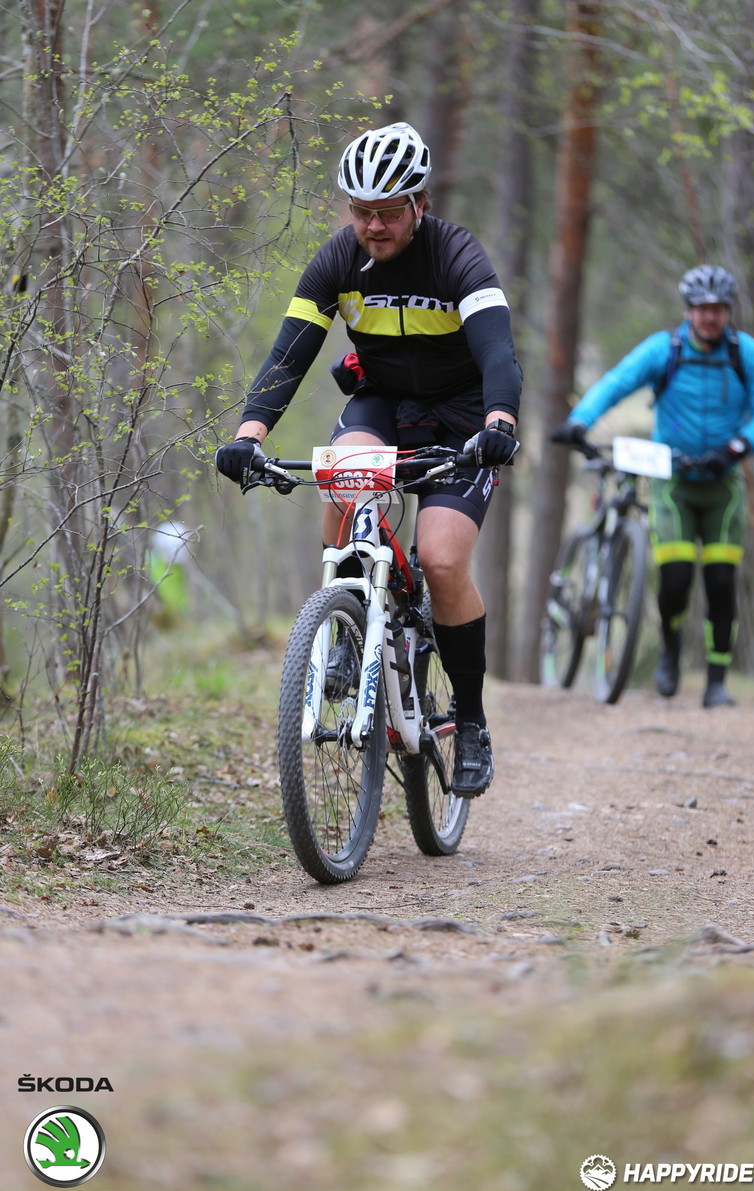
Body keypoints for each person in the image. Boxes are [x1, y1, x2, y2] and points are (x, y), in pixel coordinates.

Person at [216, 121, 521, 796]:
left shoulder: (457, 258)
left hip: (465, 415)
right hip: (384, 402)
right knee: (342, 476)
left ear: (421, 204)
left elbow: (499, 353)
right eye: (361, 212)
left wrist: (499, 420)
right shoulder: (336, 261)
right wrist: (249, 435)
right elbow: (289, 353)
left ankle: (469, 722)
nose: (374, 226)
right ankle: (347, 621)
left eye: (387, 213)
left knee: (441, 558)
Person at [551, 264, 754, 708]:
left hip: (723, 485)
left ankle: (717, 681)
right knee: (675, 579)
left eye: (717, 309)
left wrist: (736, 447)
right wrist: (580, 421)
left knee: (720, 582)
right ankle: (672, 649)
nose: (710, 317)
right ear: (688, 311)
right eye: (701, 309)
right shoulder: (666, 349)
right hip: (672, 480)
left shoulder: (744, 353)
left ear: (728, 312)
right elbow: (618, 382)